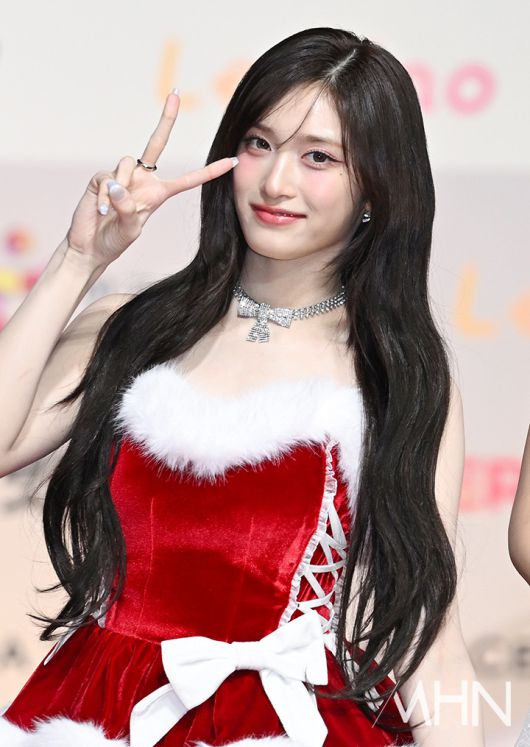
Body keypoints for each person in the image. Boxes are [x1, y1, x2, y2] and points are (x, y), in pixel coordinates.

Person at [0, 27, 484, 747]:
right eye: (259, 143)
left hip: (289, 722)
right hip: (99, 710)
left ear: (377, 188)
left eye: (318, 157)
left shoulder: (396, 376)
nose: (276, 182)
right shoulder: (131, 328)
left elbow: (427, 635)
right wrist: (79, 259)